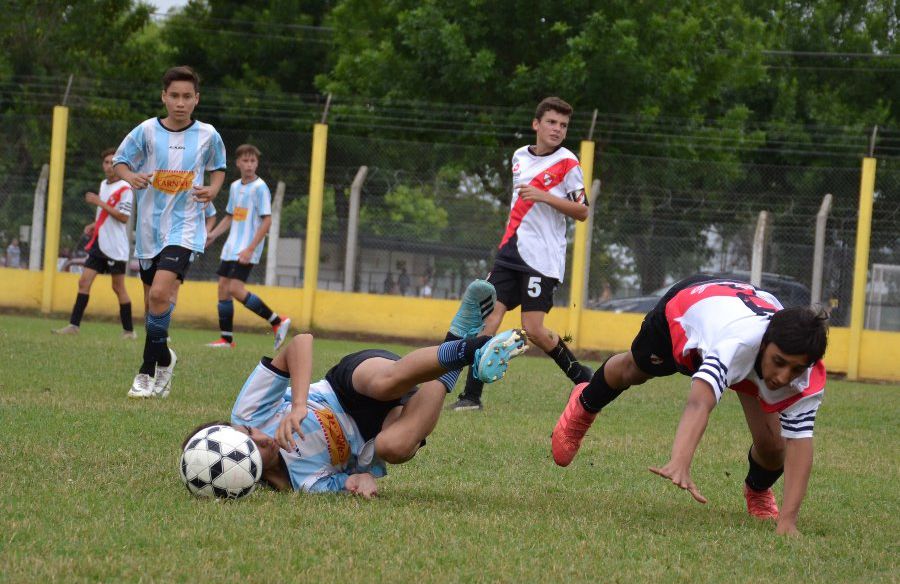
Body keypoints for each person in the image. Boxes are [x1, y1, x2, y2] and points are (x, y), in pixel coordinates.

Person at [182, 280, 528, 496]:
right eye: (253, 449)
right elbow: (354, 481)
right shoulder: (302, 486)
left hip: (346, 386)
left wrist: (300, 405)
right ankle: (460, 342)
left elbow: (301, 342)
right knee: (397, 447)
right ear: (246, 474)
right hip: (371, 436)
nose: (261, 437)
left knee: (384, 382)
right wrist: (360, 483)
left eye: (248, 433)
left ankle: (472, 347)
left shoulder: (246, 411)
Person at [552, 274, 829, 536]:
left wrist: (788, 521)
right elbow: (699, 403)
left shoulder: (805, 374)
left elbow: (800, 444)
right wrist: (680, 460)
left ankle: (756, 490)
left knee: (774, 445)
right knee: (633, 370)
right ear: (765, 343)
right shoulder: (735, 344)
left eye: (795, 369)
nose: (783, 377)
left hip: (739, 325)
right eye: (778, 362)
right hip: (688, 307)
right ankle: (585, 402)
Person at [450, 97, 592, 411]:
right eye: (552, 122)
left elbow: (582, 211)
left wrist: (544, 196)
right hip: (510, 252)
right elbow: (519, 205)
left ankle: (583, 377)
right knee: (487, 319)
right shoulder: (519, 157)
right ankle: (471, 397)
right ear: (536, 124)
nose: (557, 129)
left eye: (563, 125)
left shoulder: (568, 163)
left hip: (542, 259)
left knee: (535, 329)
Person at [113, 65, 226, 399]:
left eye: (187, 96)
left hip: (186, 226)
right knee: (152, 304)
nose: (180, 102)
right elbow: (121, 160)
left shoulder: (208, 134)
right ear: (164, 97)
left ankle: (146, 372)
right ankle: (165, 357)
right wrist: (129, 176)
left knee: (161, 295)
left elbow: (218, 167)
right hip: (149, 230)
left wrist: (214, 189)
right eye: (174, 95)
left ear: (196, 99)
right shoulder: (146, 131)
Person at [204, 144, 290, 349]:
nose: (249, 165)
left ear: (257, 163)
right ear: (238, 163)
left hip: (247, 248)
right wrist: (213, 235)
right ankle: (226, 339)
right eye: (245, 160)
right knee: (223, 289)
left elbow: (267, 221)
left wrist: (250, 248)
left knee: (235, 288)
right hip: (231, 247)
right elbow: (231, 216)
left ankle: (277, 321)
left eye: (253, 161)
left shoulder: (260, 188)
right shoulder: (235, 186)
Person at [53, 148, 136, 338]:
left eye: (113, 163)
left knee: (118, 287)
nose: (109, 166)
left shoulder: (125, 188)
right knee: (84, 282)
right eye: (106, 162)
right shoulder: (103, 184)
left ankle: (129, 331)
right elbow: (106, 214)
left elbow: (123, 217)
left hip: (115, 247)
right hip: (100, 244)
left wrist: (99, 203)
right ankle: (73, 326)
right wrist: (94, 224)